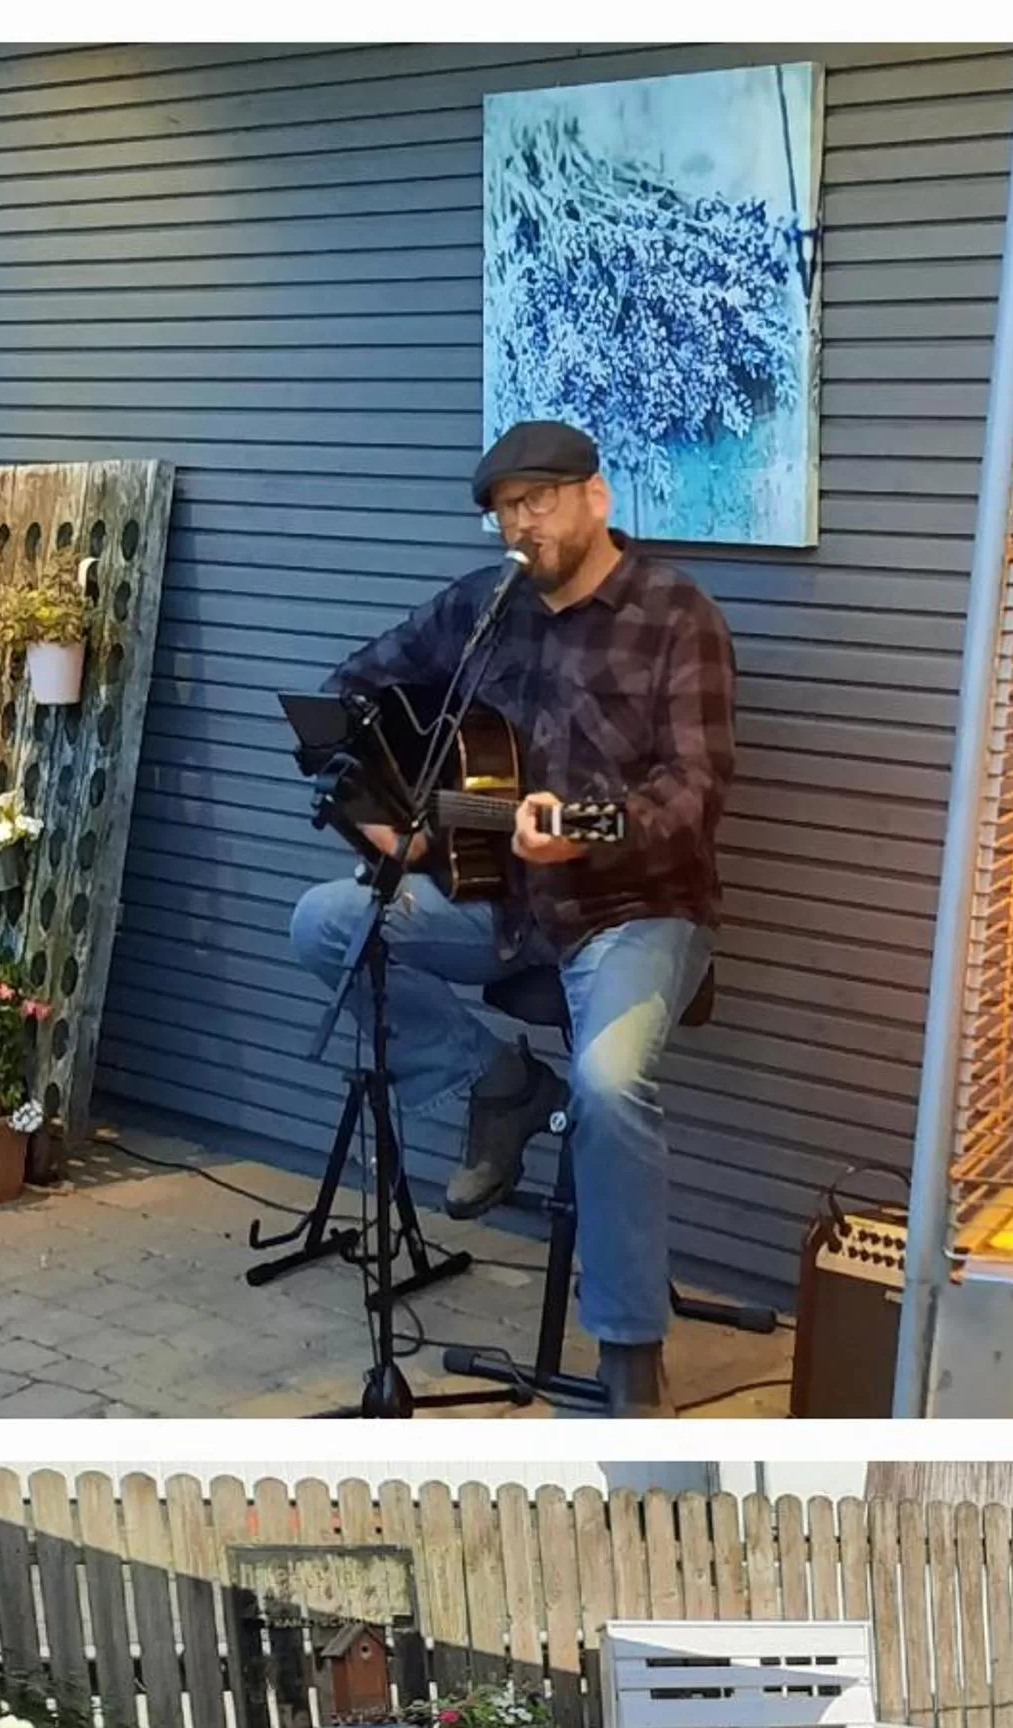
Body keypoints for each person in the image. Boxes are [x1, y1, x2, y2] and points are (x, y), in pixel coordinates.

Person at [285, 420, 735, 1415]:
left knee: (611, 1084)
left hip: (634, 908)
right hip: (499, 898)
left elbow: (695, 793)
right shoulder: (484, 609)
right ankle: (497, 1080)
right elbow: (345, 700)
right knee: (325, 923)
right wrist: (386, 826)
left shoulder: (674, 616)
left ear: (596, 499)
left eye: (540, 501)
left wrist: (588, 834)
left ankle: (629, 1358)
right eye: (506, 509)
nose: (522, 524)